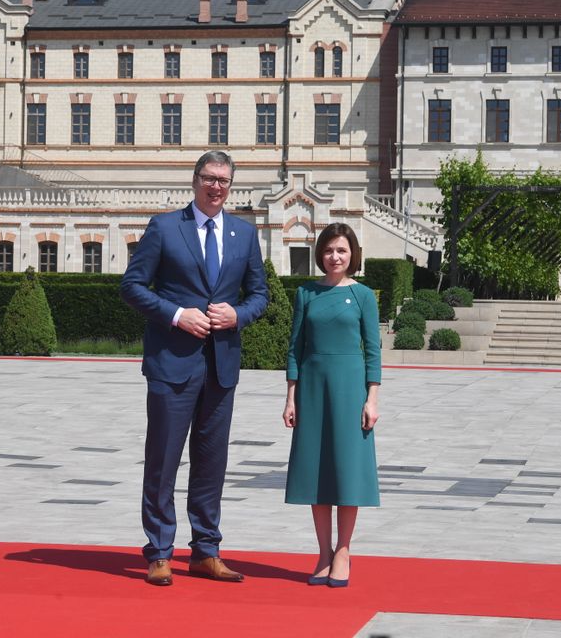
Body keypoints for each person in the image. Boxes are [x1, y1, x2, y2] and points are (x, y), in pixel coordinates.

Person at [120, 150, 268, 587]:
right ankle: (160, 552)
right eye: (209, 178)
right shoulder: (166, 227)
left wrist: (238, 316)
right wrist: (176, 314)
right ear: (195, 180)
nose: (216, 186)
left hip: (221, 367)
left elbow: (259, 294)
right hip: (172, 365)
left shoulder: (244, 234)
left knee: (211, 462)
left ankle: (206, 550)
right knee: (163, 460)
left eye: (224, 180)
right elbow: (131, 286)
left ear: (231, 186)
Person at [282, 222, 380, 589]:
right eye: (328, 251)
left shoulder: (363, 296)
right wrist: (291, 396)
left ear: (352, 253)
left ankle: (344, 550)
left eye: (341, 250)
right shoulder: (306, 293)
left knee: (346, 470)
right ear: (319, 254)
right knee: (315, 472)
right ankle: (323, 552)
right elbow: (295, 348)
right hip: (312, 388)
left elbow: (373, 350)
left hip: (350, 388)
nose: (334, 257)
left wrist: (372, 399)